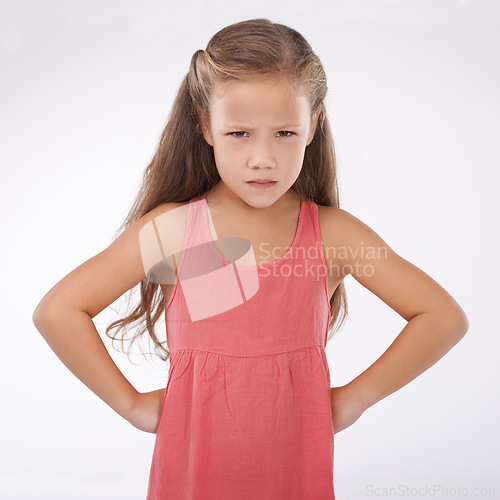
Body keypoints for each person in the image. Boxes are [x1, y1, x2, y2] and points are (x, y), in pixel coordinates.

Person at [32, 18, 469, 500]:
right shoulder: (178, 231)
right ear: (205, 125)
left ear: (313, 125)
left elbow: (441, 317)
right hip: (192, 479)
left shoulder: (331, 236)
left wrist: (355, 399)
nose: (263, 157)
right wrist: (132, 406)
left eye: (284, 132)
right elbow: (59, 311)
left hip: (294, 476)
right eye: (239, 133)